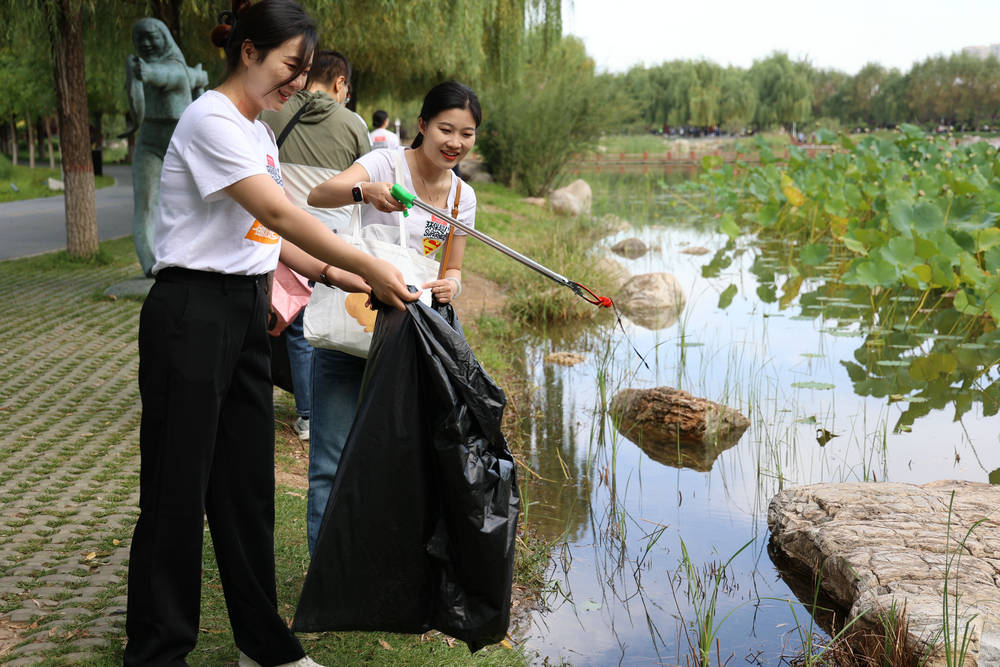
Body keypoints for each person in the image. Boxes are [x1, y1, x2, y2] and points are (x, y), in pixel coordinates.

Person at [122, 2, 416, 665]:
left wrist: (352, 277)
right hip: (190, 314)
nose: (297, 83)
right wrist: (366, 259)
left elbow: (272, 242)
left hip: (243, 314)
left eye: (307, 71)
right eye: (291, 66)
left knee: (247, 488)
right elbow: (280, 212)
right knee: (177, 490)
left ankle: (264, 644)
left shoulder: (256, 131)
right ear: (249, 52)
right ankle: (158, 650)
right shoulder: (211, 119)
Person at [305, 81, 481, 555]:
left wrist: (454, 285)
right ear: (422, 125)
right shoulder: (385, 164)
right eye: (446, 128)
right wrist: (367, 191)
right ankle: (324, 570)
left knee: (397, 458)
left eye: (467, 134)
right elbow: (319, 196)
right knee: (330, 459)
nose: (455, 142)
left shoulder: (463, 198)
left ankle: (377, 564)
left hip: (409, 342)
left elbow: (453, 268)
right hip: (351, 327)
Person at [260, 49, 370, 441]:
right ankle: (320, 409)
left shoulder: (271, 116)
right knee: (328, 327)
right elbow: (365, 185)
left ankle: (304, 412)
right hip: (332, 240)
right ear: (340, 83)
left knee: (290, 324)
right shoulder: (353, 125)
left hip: (282, 236)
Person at [121, 17, 208, 276]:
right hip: (149, 137)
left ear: (164, 38)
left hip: (179, 136)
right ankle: (150, 264)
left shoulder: (177, 68)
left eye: (152, 36)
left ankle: (191, 259)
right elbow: (136, 96)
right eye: (140, 39)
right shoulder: (137, 65)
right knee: (146, 201)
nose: (146, 43)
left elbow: (167, 76)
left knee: (189, 200)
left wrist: (147, 73)